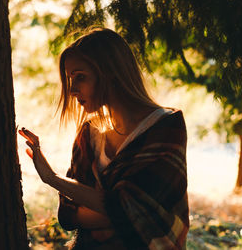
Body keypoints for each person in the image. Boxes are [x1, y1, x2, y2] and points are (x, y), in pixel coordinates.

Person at [18, 28, 189, 249]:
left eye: (80, 77)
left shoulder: (165, 127)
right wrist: (122, 213)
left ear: (110, 73)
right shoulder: (88, 134)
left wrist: (53, 178)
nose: (72, 90)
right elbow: (68, 214)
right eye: (70, 79)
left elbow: (141, 215)